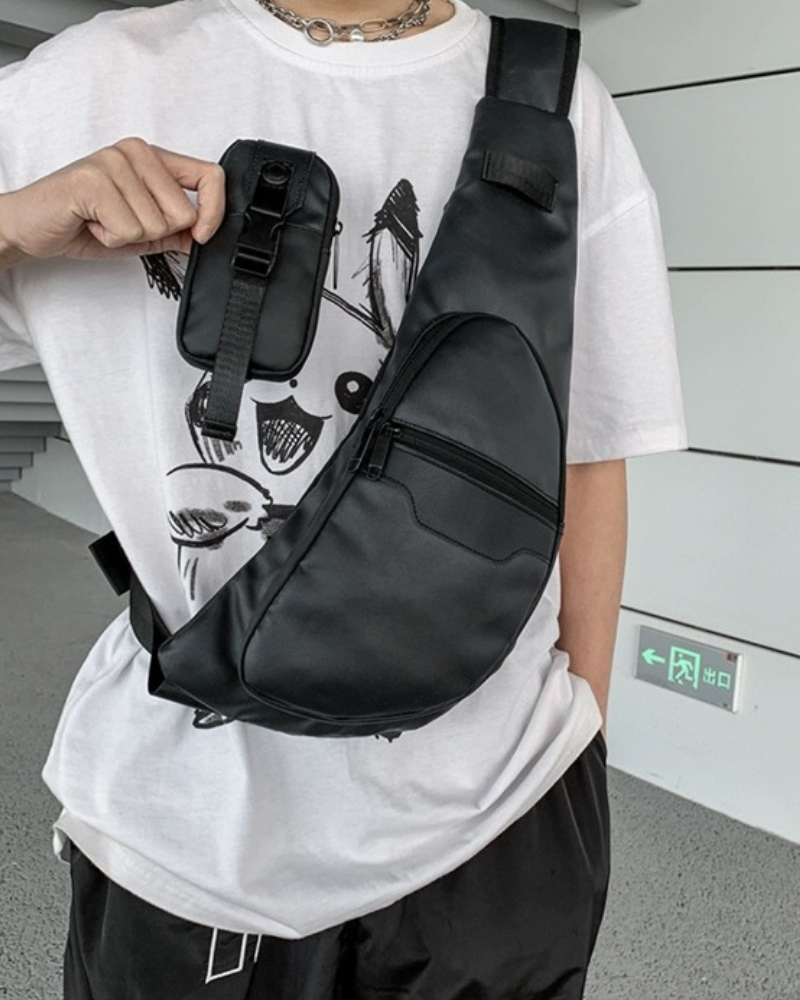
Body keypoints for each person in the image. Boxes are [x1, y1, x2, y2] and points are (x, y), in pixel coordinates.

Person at [0, 0, 687, 996]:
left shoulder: (554, 102)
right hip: (184, 828)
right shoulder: (79, 85)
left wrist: (583, 745)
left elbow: (586, 455)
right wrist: (10, 225)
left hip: (501, 813)